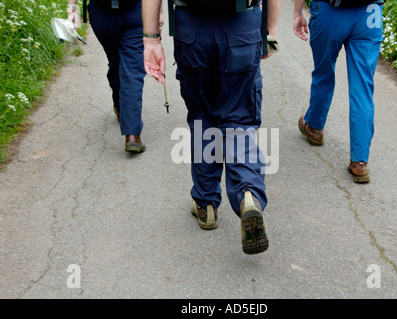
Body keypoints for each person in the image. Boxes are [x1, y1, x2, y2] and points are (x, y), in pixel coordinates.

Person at [142, 0, 279, 254]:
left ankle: (206, 205)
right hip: (242, 24)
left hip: (192, 28)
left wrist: (151, 40)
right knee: (239, 118)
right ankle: (248, 193)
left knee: (201, 115)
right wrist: (268, 33)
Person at [293, 0, 384, 183]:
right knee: (362, 88)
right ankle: (360, 162)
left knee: (323, 74)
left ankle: (314, 127)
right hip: (370, 13)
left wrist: (297, 13)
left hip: (330, 11)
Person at [67, 0, 162, 153]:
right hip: (135, 12)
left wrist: (72, 7)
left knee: (117, 62)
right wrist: (159, 13)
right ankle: (132, 134)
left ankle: (123, 114)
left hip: (102, 15)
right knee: (131, 70)